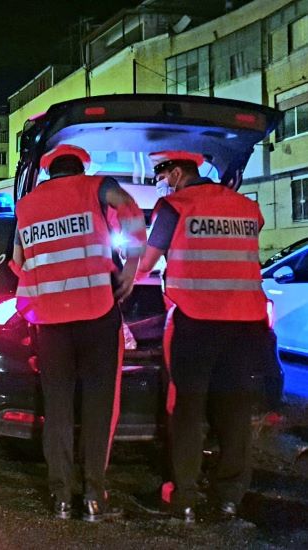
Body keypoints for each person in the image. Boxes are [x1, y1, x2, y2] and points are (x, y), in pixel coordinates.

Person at [10, 144, 146, 521]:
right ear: (81, 168)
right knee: (99, 406)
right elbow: (131, 211)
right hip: (97, 314)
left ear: (50, 171)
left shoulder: (27, 206)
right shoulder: (96, 188)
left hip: (51, 322)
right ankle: (93, 497)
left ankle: (61, 498)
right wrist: (132, 266)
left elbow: (19, 263)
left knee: (57, 408)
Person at [137, 150, 268, 523]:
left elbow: (147, 262)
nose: (161, 184)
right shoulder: (245, 207)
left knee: (188, 410)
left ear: (176, 172)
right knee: (234, 410)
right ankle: (229, 498)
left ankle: (185, 497)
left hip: (196, 320)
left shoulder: (175, 206)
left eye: (162, 176)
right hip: (246, 324)